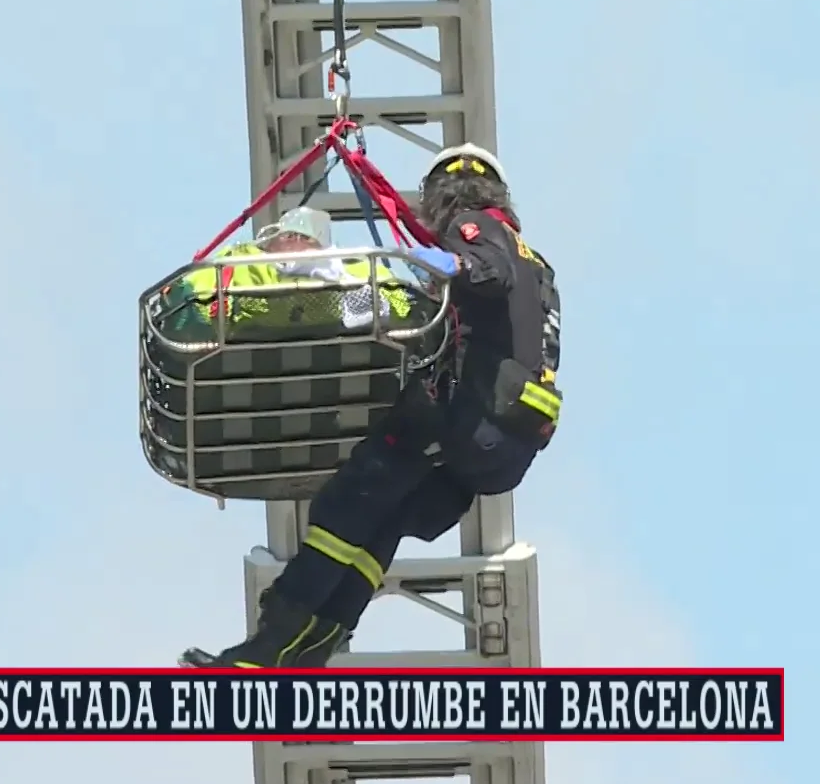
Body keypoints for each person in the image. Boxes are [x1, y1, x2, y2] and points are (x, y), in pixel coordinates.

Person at [183, 144, 562, 668]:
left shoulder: (476, 227)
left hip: (471, 418)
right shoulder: (537, 264)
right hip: (506, 451)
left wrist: (453, 262)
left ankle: (271, 640)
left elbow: (485, 270)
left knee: (346, 505)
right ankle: (309, 652)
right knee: (381, 524)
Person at [160, 206, 413, 334]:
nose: (298, 241)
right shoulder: (240, 264)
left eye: (305, 237)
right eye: (292, 235)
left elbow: (403, 308)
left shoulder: (355, 267)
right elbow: (187, 304)